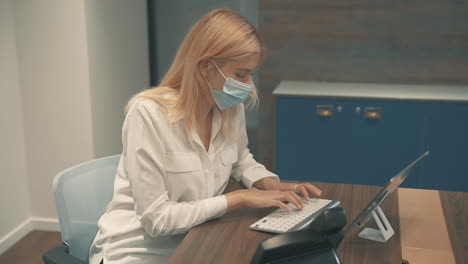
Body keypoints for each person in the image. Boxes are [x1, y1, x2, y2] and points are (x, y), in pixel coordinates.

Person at [89, 8, 322, 264]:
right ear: (205, 67)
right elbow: (157, 220)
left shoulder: (230, 108)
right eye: (241, 74)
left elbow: (241, 159)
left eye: (250, 74)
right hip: (139, 251)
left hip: (200, 238)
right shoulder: (148, 115)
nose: (249, 86)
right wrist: (239, 198)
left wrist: (268, 183)